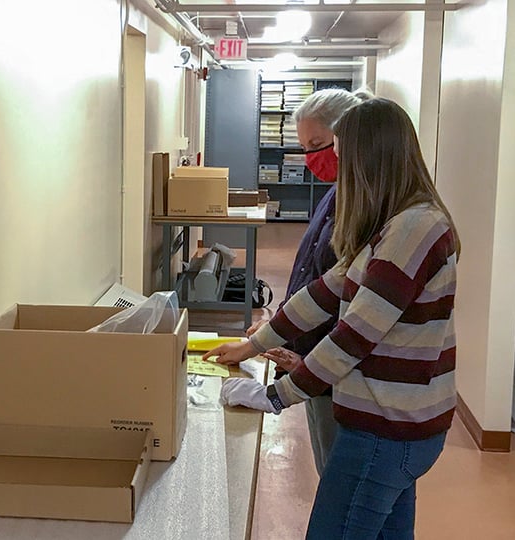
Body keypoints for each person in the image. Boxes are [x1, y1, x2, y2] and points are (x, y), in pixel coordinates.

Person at [204, 98, 460, 539]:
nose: (337, 166)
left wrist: (275, 396)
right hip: (392, 425)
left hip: (386, 429)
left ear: (370, 158)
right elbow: (324, 292)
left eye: (343, 155)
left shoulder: (415, 229)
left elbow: (354, 335)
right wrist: (256, 344)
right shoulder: (390, 222)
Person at [253, 88, 371, 476]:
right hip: (314, 364)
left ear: (347, 137)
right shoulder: (337, 194)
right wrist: (276, 334)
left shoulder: (371, 208)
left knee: (342, 481)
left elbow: (348, 302)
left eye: (318, 145)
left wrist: (286, 383)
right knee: (329, 466)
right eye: (304, 148)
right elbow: (314, 279)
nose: (310, 160)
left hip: (340, 372)